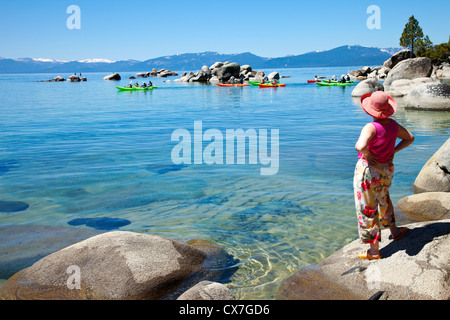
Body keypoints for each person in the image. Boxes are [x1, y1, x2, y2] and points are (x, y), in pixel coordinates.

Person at [354, 91, 415, 260]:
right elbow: (410, 138)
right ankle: (395, 232)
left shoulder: (371, 127)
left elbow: (359, 146)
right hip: (386, 168)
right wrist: (394, 150)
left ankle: (374, 251)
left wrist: (367, 153)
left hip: (368, 171)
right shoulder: (394, 126)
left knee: (367, 206)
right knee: (384, 198)